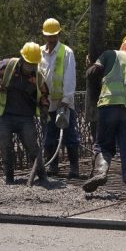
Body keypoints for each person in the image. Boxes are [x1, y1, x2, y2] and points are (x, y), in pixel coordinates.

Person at [82, 33, 126, 201]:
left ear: (123, 43)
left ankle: (102, 172)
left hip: (108, 106)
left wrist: (89, 66)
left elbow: (93, 74)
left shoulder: (110, 54)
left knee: (103, 145)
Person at [0, 42, 49, 185]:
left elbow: (44, 94)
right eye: (28, 63)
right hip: (5, 115)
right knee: (5, 145)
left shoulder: (38, 77)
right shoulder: (8, 66)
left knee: (32, 146)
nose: (31, 67)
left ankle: (42, 176)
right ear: (22, 59)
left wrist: (44, 108)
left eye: (34, 64)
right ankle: (9, 178)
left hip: (25, 118)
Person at [39, 18, 80, 180]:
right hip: (47, 103)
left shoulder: (66, 52)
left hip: (63, 103)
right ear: (44, 35)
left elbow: (70, 77)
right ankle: (53, 166)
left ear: (58, 34)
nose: (51, 39)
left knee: (69, 136)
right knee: (49, 138)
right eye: (49, 36)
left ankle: (74, 168)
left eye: (54, 35)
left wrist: (67, 98)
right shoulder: (40, 52)